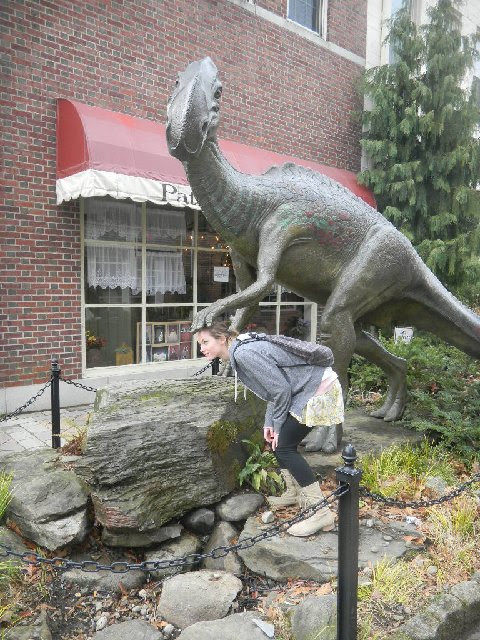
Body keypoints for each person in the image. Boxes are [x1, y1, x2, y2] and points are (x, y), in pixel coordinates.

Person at [196, 321, 344, 537]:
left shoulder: (244, 354)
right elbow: (273, 389)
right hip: (304, 389)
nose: (201, 348)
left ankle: (321, 512)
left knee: (284, 447)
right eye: (200, 344)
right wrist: (270, 423)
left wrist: (277, 424)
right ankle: (293, 493)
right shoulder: (241, 348)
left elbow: (281, 390)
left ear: (221, 339)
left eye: (205, 342)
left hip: (316, 389)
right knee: (278, 443)